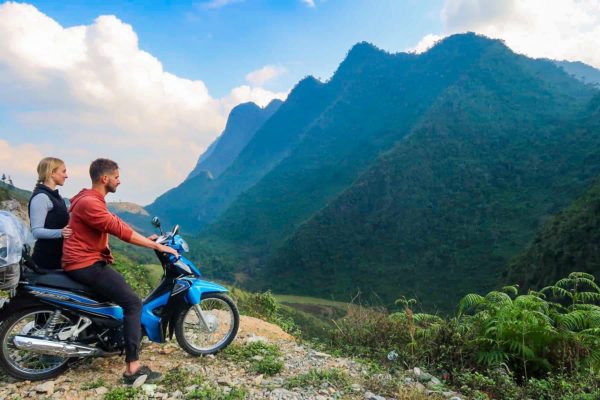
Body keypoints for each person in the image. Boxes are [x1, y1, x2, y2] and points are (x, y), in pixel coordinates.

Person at [62, 158, 178, 384]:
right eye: (117, 177)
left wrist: (147, 238)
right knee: (133, 303)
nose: (119, 181)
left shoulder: (87, 198)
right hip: (85, 264)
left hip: (81, 261)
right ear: (105, 179)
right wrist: (155, 245)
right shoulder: (90, 203)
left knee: (115, 299)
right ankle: (132, 369)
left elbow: (115, 221)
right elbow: (118, 229)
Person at [28, 157, 72, 270]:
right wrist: (61, 232)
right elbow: (36, 231)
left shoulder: (57, 197)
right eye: (63, 171)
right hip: (45, 262)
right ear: (52, 173)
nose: (66, 176)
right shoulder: (41, 197)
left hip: (58, 259)